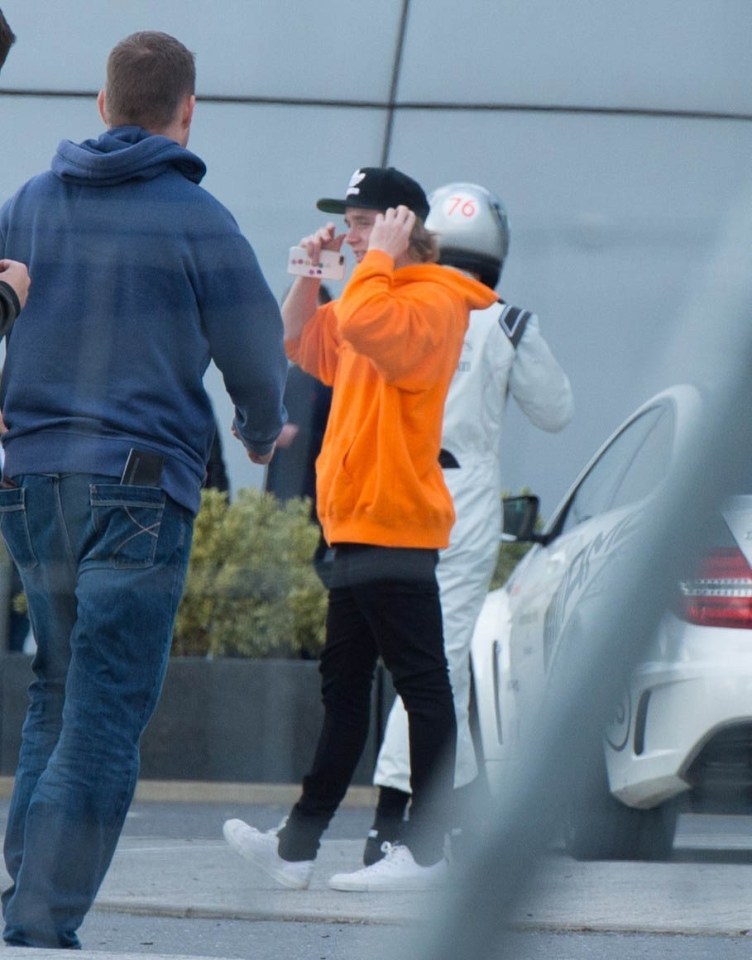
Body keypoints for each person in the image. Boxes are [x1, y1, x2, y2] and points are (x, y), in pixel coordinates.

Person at [0, 30, 287, 948]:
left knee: (56, 679)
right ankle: (41, 917)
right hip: (137, 486)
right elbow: (254, 359)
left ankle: (25, 880)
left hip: (33, 483)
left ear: (101, 103)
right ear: (186, 110)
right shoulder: (199, 218)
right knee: (104, 701)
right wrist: (251, 432)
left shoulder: (30, 204)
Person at [223, 166, 498, 892]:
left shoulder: (435, 299)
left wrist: (372, 262)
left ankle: (427, 854)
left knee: (423, 686)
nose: (350, 232)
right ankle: (297, 848)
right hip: (354, 524)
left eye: (364, 220)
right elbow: (299, 343)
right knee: (344, 689)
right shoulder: (370, 291)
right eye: (346, 221)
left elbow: (374, 328)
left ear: (402, 224)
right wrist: (310, 275)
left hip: (395, 523)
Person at [363, 182, 574, 863]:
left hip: (390, 488)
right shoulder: (505, 321)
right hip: (463, 493)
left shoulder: (393, 307)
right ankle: (393, 827)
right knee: (439, 664)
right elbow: (556, 411)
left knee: (413, 660)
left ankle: (463, 814)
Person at [265, 285, 334, 585]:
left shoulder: (342, 376)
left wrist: (298, 437)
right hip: (281, 510)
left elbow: (350, 441)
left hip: (325, 512)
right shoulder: (283, 378)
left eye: (312, 314)